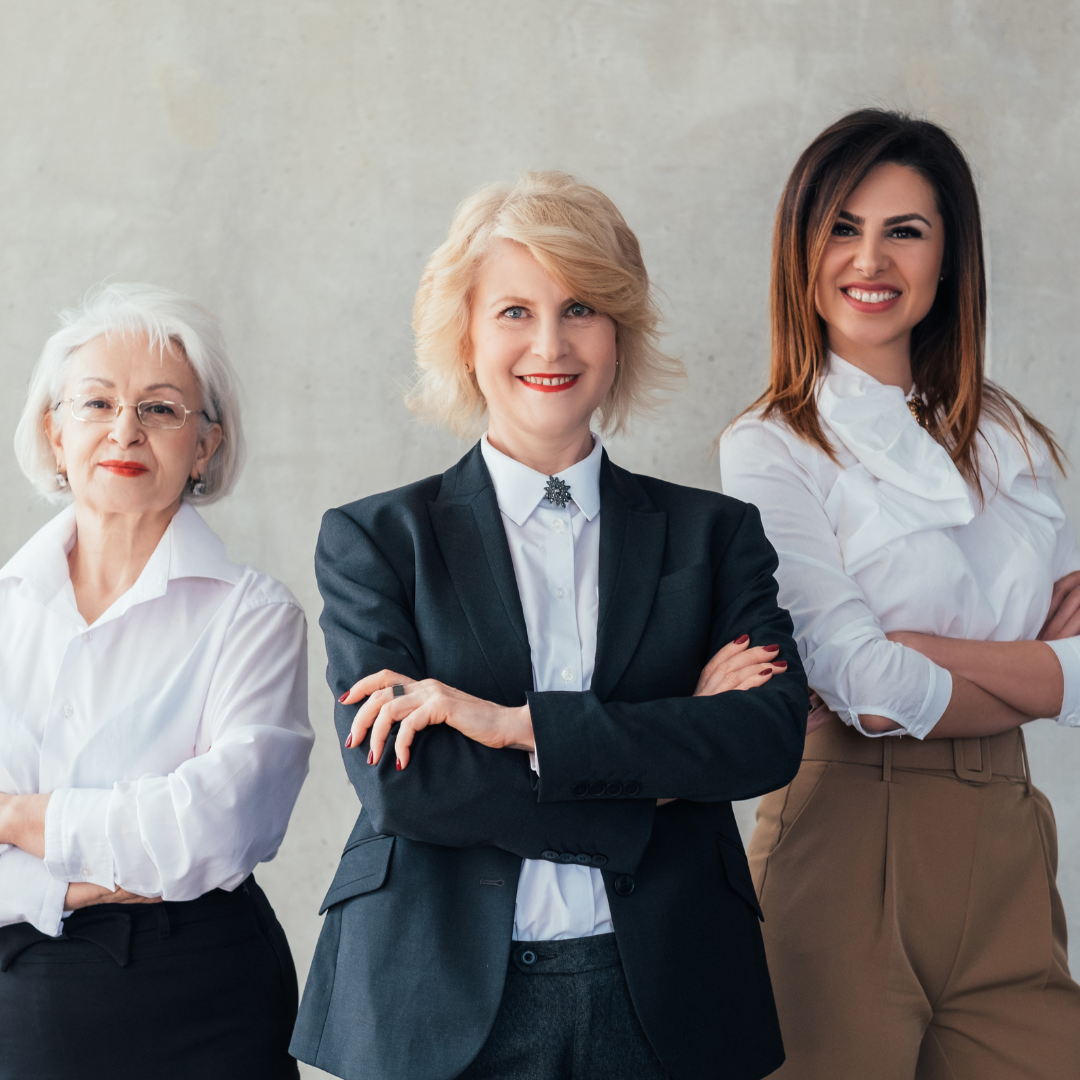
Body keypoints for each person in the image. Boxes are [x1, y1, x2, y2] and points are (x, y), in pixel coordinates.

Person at [291, 172, 808, 1080]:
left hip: (668, 994)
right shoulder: (374, 539)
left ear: (619, 331)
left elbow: (762, 741)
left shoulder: (714, 534)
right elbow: (408, 785)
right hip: (433, 1002)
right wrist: (656, 768)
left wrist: (515, 727)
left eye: (580, 307)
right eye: (514, 311)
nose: (550, 343)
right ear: (465, 334)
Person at [720, 109, 1080, 1080]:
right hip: (845, 840)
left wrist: (925, 649)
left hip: (1006, 836)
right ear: (802, 246)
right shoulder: (770, 447)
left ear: (947, 258)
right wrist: (1036, 667)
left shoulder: (1015, 439)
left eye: (904, 230)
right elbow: (863, 687)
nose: (869, 258)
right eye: (842, 225)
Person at [0, 284, 314, 1080]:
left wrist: (16, 816)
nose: (124, 431)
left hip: (204, 992)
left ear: (205, 445)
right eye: (96, 403)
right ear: (54, 432)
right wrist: (77, 884)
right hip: (18, 986)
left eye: (163, 409)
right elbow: (168, 829)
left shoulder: (255, 615)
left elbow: (217, 826)